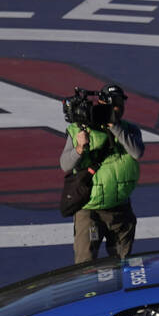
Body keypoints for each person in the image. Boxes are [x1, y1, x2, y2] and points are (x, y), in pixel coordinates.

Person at [60, 84, 145, 263]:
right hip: (90, 210)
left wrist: (114, 127)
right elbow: (65, 165)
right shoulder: (78, 130)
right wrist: (79, 147)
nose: (117, 108)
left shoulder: (129, 130)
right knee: (85, 265)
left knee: (123, 264)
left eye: (120, 104)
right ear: (101, 103)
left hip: (120, 208)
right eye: (114, 104)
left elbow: (136, 152)